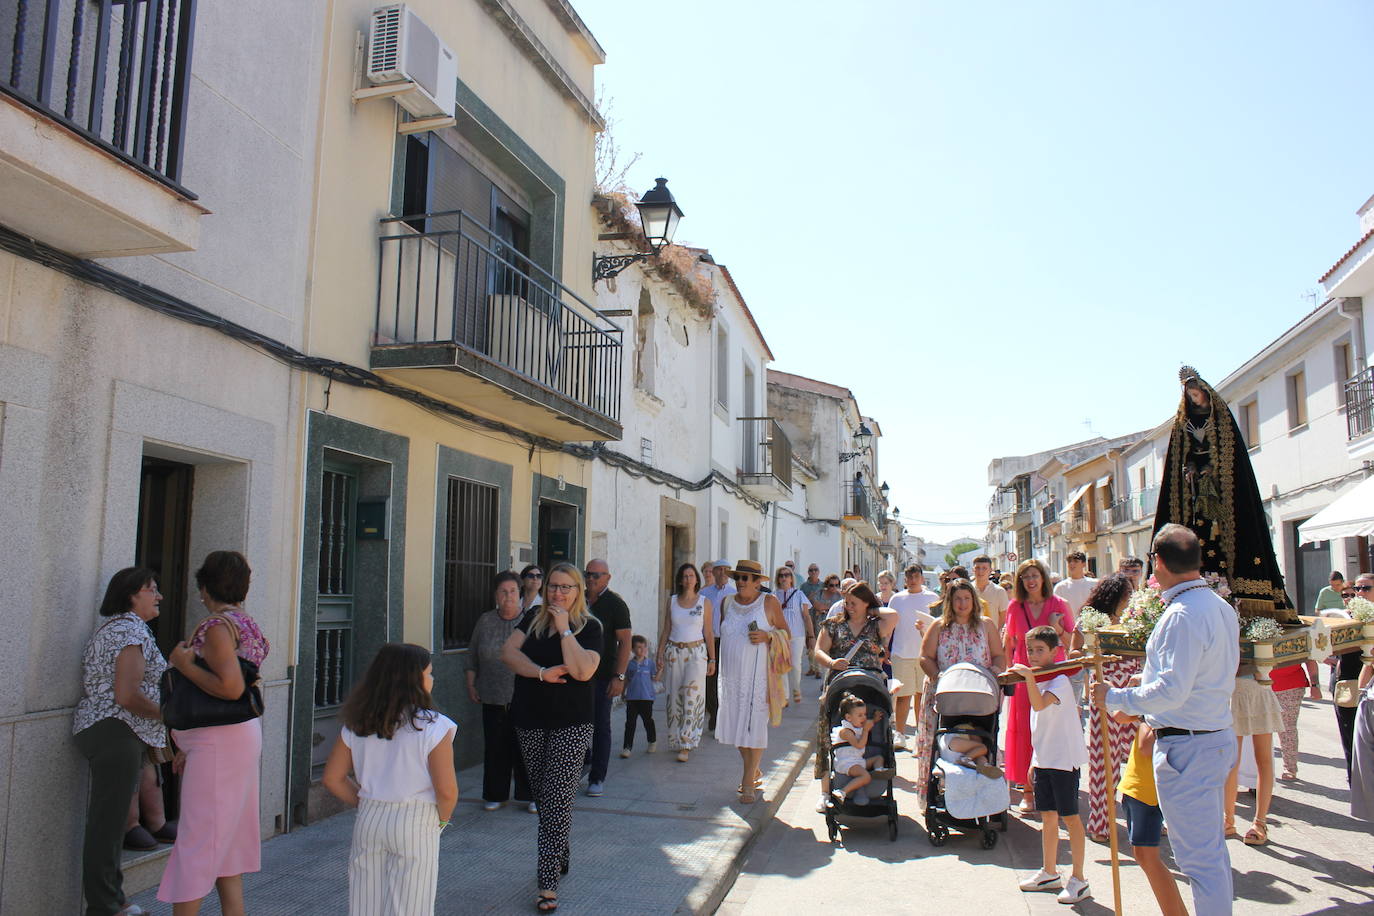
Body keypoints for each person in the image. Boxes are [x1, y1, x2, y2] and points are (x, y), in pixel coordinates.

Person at [1094, 523, 1239, 916]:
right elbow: (1200, 675)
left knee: (1199, 861)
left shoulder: (1183, 613)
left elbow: (1172, 692)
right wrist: (1148, 684)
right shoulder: (1217, 606)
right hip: (1209, 735)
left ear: (1157, 562)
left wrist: (1116, 695)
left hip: (1189, 744)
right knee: (1210, 855)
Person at [158, 551, 270, 916]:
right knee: (230, 841)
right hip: (234, 738)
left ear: (204, 586)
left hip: (219, 742)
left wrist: (183, 665)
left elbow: (231, 689)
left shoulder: (218, 627)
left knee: (198, 839)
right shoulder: (245, 623)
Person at [322, 643, 457, 916]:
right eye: (428, 673)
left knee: (365, 903)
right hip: (416, 819)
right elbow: (446, 790)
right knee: (411, 905)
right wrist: (441, 820)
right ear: (414, 680)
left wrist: (367, 804)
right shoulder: (434, 725)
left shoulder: (357, 722)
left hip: (370, 816)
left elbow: (333, 778)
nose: (432, 679)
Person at [500, 563, 603, 913]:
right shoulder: (532, 620)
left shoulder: (591, 627)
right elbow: (508, 654)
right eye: (553, 587)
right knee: (545, 797)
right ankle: (560, 849)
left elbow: (583, 670)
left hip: (571, 723)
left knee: (557, 798)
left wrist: (564, 631)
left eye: (566, 587)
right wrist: (541, 673)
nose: (558, 593)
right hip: (529, 718)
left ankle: (547, 884)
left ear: (578, 591)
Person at [73, 567, 169, 916]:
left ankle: (112, 900)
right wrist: (167, 714)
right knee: (108, 824)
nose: (159, 596)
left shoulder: (122, 629)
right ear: (132, 594)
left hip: (113, 730)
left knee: (110, 822)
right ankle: (104, 905)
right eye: (152, 589)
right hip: (116, 730)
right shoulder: (130, 631)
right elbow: (127, 695)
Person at [1012, 626, 1091, 905]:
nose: (1034, 655)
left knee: (1070, 818)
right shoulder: (1042, 680)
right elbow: (1041, 726)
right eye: (1030, 650)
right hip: (1045, 759)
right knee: (1047, 816)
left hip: (1063, 761)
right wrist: (1035, 760)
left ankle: (1079, 878)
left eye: (1040, 650)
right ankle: (1049, 872)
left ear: (1055, 651)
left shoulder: (1058, 682)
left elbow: (1039, 706)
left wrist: (1030, 678)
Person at [913, 578, 1004, 812]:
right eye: (957, 599)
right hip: (945, 694)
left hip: (978, 695)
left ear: (974, 601)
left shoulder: (986, 625)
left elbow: (998, 656)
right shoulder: (939, 626)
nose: (962, 604)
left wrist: (995, 673)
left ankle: (983, 792)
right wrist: (938, 677)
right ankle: (935, 793)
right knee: (940, 742)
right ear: (950, 603)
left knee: (980, 736)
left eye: (966, 598)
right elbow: (925, 658)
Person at [813, 581, 896, 811]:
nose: (848, 607)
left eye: (854, 603)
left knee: (876, 732)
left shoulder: (875, 626)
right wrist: (832, 662)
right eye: (846, 602)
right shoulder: (833, 625)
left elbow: (894, 615)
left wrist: (871, 609)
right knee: (829, 738)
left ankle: (873, 780)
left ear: (867, 603)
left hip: (871, 687)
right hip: (841, 684)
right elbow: (819, 651)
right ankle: (825, 791)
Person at [715, 560, 790, 804]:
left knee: (754, 725)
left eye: (747, 578)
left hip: (758, 677)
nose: (741, 582)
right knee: (737, 727)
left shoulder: (769, 602)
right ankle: (754, 768)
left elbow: (785, 633)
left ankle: (747, 780)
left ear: (758, 582)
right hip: (731, 678)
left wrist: (769, 636)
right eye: (739, 578)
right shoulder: (727, 603)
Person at [1005, 558, 1075, 813]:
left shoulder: (1059, 605)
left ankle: (1054, 787)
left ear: (1043, 577)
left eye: (1034, 575)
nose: (1031, 581)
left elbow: (1071, 642)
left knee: (1052, 732)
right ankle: (1028, 790)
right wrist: (1006, 672)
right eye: (1025, 577)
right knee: (1025, 732)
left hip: (1052, 676)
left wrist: (1057, 627)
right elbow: (1010, 643)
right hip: (1024, 678)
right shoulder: (1015, 607)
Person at [1078, 573, 1142, 843]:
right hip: (1104, 692)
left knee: (1142, 761)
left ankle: (1147, 819)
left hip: (1133, 693)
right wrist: (1093, 653)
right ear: (1112, 597)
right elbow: (1075, 653)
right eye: (1125, 596)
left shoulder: (1136, 620)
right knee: (1104, 763)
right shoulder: (1090, 620)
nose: (1129, 601)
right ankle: (1101, 823)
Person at [466, 571, 534, 812]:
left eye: (513, 591)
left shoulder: (530, 622)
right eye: (503, 592)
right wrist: (471, 683)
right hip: (492, 695)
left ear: (520, 594)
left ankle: (530, 795)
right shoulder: (485, 620)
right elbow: (473, 655)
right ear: (496, 595)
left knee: (526, 747)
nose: (508, 596)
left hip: (524, 696)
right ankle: (495, 794)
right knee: (495, 747)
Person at [1115, 720, 1189, 916]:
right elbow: (1121, 714)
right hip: (1139, 786)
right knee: (1143, 855)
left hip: (1147, 791)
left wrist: (1145, 715)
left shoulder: (1157, 713)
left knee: (1148, 857)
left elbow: (1145, 745)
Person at [655, 563, 715, 763]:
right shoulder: (672, 601)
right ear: (680, 580)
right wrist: (660, 652)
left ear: (697, 579)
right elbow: (666, 628)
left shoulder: (704, 603)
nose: (688, 579)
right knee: (674, 695)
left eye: (692, 575)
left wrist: (712, 659)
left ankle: (687, 742)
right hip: (674, 651)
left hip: (696, 653)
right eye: (685, 576)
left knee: (692, 695)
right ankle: (676, 737)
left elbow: (708, 632)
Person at [583, 558, 631, 798]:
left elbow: (625, 642)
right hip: (577, 674)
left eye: (596, 575)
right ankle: (581, 764)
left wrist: (619, 676)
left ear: (607, 578)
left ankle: (597, 777)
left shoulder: (615, 604)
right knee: (576, 724)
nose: (591, 579)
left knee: (601, 725)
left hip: (603, 676)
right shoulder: (577, 599)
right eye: (588, 574)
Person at [1223, 672, 1281, 845]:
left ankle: (1260, 822)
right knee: (1231, 761)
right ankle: (1228, 819)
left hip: (1259, 690)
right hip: (1230, 693)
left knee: (1263, 759)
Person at [886, 564, 937, 750]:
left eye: (916, 576)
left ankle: (920, 736)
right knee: (902, 696)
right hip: (901, 652)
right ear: (905, 579)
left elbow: (937, 624)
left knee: (921, 697)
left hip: (925, 654)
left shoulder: (932, 597)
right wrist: (885, 647)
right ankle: (899, 734)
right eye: (909, 577)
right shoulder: (896, 599)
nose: (913, 580)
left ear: (922, 578)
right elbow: (889, 625)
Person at [831, 694, 891, 801]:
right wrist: (866, 731)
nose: (864, 718)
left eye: (865, 714)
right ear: (848, 717)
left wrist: (875, 719)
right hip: (846, 763)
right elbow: (859, 745)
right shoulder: (846, 731)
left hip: (857, 761)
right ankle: (842, 792)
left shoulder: (858, 725)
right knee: (866, 777)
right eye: (860, 715)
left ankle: (879, 771)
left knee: (878, 758)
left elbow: (869, 723)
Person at [1271, 656, 1320, 781]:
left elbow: (1310, 657)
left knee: (1287, 728)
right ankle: (1259, 770)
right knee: (1260, 730)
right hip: (1260, 684)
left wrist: (1315, 685)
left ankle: (1290, 767)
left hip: (1290, 685)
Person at [701, 560, 736, 731]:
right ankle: (714, 712)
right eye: (719, 570)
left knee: (726, 678)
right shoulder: (704, 594)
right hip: (709, 641)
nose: (722, 573)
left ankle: (723, 714)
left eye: (725, 570)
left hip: (727, 641)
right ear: (712, 572)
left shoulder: (735, 593)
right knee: (709, 679)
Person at [773, 566, 814, 704]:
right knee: (782, 665)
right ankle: (784, 696)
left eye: (786, 575)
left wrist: (811, 636)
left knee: (796, 664)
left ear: (791, 578)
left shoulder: (799, 594)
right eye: (781, 575)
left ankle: (796, 688)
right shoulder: (773, 596)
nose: (784, 578)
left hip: (797, 634)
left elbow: (806, 616)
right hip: (780, 635)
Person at [621, 636, 657, 757]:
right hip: (632, 698)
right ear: (632, 649)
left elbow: (655, 678)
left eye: (643, 647)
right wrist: (623, 692)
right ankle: (627, 747)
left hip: (647, 698)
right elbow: (626, 679)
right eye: (638, 647)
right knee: (630, 723)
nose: (641, 650)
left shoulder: (650, 664)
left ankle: (652, 741)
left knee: (648, 721)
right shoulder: (630, 664)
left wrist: (661, 670)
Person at [972, 555, 1010, 635]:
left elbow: (1003, 618)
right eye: (977, 568)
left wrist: (995, 635)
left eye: (984, 568)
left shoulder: (999, 591)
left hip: (992, 638)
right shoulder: (968, 590)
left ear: (990, 570)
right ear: (973, 570)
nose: (980, 571)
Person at [1053, 551, 1096, 616]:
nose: (1072, 564)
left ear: (1084, 564)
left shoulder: (1094, 584)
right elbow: (1055, 610)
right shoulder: (1060, 587)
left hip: (1091, 624)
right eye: (1069, 561)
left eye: (1076, 561)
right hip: (1069, 625)